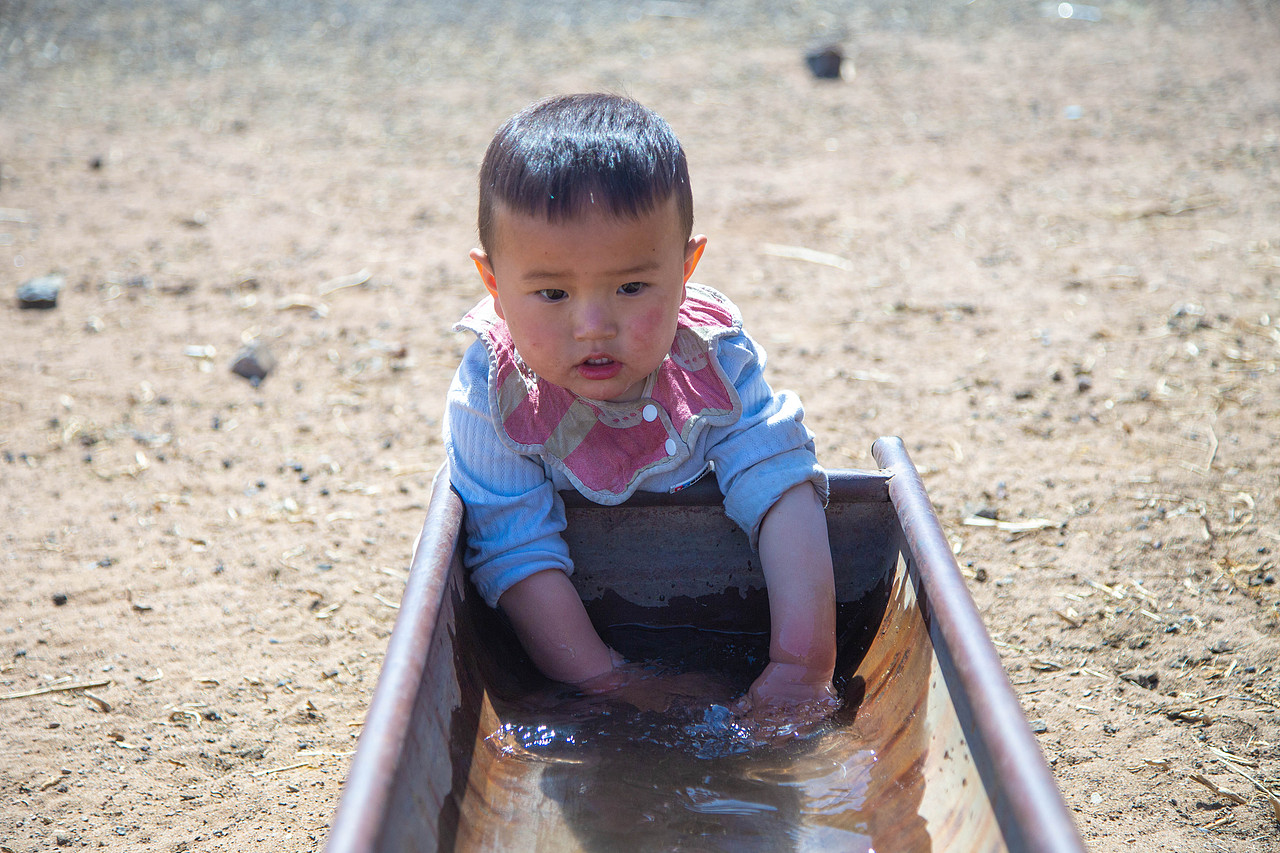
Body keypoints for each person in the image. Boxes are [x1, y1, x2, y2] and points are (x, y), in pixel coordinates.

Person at [443, 93, 837, 719]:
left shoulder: (711, 358)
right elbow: (513, 545)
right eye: (552, 292)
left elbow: (780, 485)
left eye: (631, 287)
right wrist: (610, 684)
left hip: (718, 596)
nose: (594, 325)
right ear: (493, 283)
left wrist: (801, 666)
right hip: (580, 640)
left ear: (686, 268)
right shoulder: (496, 392)